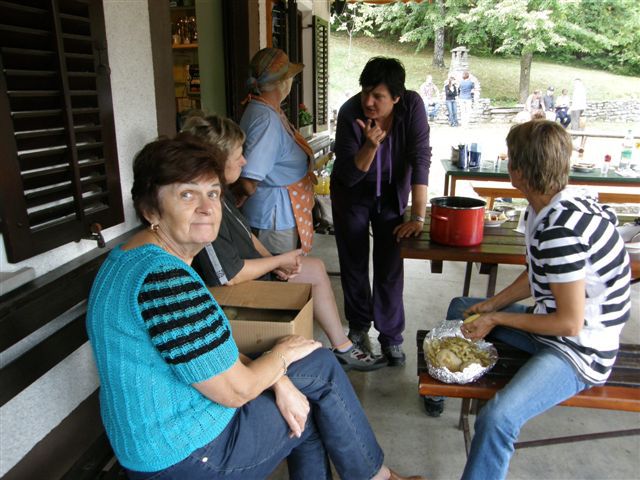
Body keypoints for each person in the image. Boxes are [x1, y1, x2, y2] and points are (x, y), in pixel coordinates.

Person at [86, 134, 425, 480]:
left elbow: (213, 357)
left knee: (303, 401)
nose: (207, 207)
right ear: (150, 210)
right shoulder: (165, 280)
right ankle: (377, 477)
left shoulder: (128, 260)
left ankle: (375, 475)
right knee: (315, 380)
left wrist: (281, 382)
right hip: (187, 457)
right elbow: (237, 391)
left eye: (213, 193)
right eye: (187, 194)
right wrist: (280, 357)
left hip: (157, 442)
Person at [446, 120, 631, 479]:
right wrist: (492, 305)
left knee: (498, 418)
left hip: (580, 350)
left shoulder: (561, 231)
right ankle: (446, 385)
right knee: (461, 309)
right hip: (555, 326)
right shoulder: (544, 207)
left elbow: (569, 322)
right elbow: (538, 274)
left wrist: (497, 319)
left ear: (517, 172)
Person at [183, 113, 386, 372]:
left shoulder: (221, 195)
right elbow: (228, 276)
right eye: (238, 156)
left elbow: (249, 237)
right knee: (308, 271)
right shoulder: (206, 208)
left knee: (313, 267)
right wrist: (276, 262)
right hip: (235, 291)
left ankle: (342, 347)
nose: (245, 161)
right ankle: (336, 349)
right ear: (217, 160)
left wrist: (274, 261)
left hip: (254, 273)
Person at [331, 57, 431, 367]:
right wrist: (370, 146)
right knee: (354, 263)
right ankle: (359, 329)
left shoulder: (412, 106)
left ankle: (391, 336)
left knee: (390, 265)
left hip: (391, 194)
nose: (369, 102)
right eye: (365, 92)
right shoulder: (350, 113)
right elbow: (348, 174)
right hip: (351, 194)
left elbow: (420, 158)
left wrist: (417, 215)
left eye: (378, 96)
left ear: (397, 97)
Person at [234, 48, 315, 255]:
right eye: (289, 77)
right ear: (282, 82)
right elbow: (249, 180)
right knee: (281, 277)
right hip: (273, 217)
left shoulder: (267, 110)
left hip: (276, 213)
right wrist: (245, 193)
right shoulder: (266, 120)